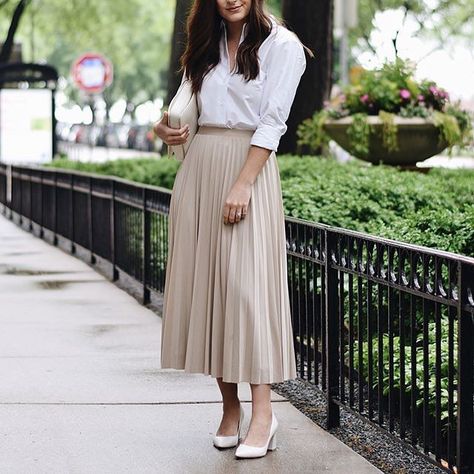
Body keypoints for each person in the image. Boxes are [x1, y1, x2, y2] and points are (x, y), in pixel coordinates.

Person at [153, 0, 311, 459]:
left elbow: (273, 120)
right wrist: (163, 131)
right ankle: (229, 408)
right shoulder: (207, 42)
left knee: (247, 292)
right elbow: (184, 108)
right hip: (200, 167)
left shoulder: (282, 45)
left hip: (250, 169)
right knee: (212, 290)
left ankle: (264, 414)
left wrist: (243, 183)